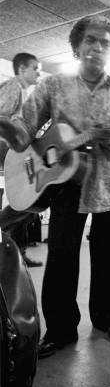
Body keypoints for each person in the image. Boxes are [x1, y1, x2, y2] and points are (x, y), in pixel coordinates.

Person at [0, 16, 110, 358]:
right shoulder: (52, 86)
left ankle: (105, 318)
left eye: (106, 43)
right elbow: (26, 130)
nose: (98, 47)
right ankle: (62, 329)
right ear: (77, 46)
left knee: (109, 259)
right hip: (65, 186)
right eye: (91, 40)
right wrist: (10, 128)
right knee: (61, 258)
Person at [0, 52, 43, 267]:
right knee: (30, 200)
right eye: (35, 68)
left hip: (17, 150)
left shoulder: (25, 93)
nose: (38, 72)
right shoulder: (13, 87)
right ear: (22, 69)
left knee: (30, 203)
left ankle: (18, 253)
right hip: (7, 149)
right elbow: (1, 118)